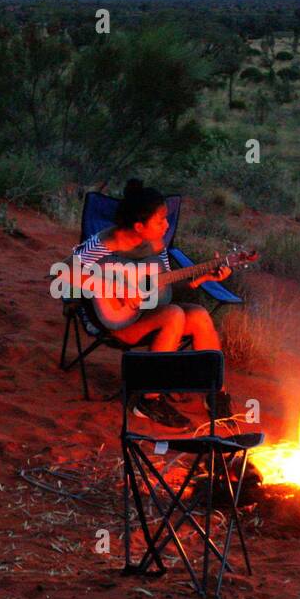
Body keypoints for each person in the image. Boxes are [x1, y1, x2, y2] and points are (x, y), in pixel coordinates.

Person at [67, 179, 234, 428]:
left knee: (198, 315)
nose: (167, 225)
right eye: (160, 221)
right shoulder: (101, 245)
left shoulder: (156, 246)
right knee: (173, 315)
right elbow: (63, 274)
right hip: (115, 319)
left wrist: (200, 279)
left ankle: (215, 392)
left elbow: (162, 286)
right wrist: (116, 287)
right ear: (138, 226)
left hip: (148, 312)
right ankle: (146, 399)